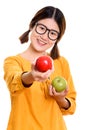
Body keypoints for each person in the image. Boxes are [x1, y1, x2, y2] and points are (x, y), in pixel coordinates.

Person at [3, 6, 77, 130]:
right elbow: (13, 82)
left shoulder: (61, 63)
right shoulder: (13, 61)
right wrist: (31, 75)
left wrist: (60, 99)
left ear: (57, 39)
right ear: (33, 25)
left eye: (52, 33)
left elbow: (71, 106)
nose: (45, 36)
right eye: (42, 28)